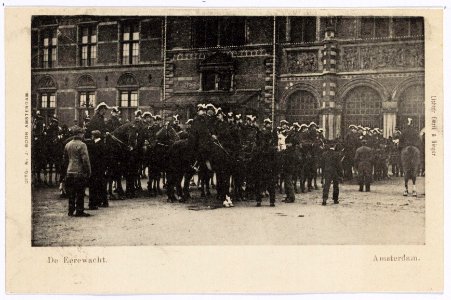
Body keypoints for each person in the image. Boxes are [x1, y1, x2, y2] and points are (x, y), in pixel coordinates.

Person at [63, 125, 91, 217]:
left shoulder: (68, 144)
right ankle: (79, 211)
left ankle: (70, 211)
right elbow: (85, 160)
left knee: (71, 193)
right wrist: (88, 171)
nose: (83, 135)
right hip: (79, 172)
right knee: (80, 192)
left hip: (69, 171)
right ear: (79, 134)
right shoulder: (82, 145)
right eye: (82, 133)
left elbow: (65, 160)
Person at [255, 118, 278, 207]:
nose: (269, 125)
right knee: (264, 181)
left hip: (266, 162)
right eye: (267, 124)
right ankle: (261, 201)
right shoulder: (264, 134)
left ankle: (267, 201)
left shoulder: (271, 134)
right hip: (265, 162)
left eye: (269, 123)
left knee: (266, 182)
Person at [86, 130, 108, 209]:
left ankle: (98, 202)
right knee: (101, 185)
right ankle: (103, 201)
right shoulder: (102, 144)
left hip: (96, 168)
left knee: (95, 185)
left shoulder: (95, 145)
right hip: (101, 168)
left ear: (94, 136)